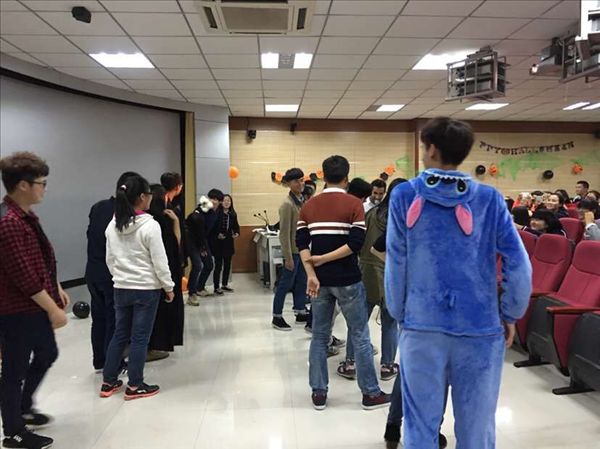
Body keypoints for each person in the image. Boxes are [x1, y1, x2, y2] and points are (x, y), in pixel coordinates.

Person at [386, 117, 531, 449]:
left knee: (419, 424)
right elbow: (518, 261)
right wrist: (510, 312)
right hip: (479, 327)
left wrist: (400, 311)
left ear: (431, 149)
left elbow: (396, 261)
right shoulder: (490, 199)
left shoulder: (404, 195)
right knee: (477, 427)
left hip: (422, 326)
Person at [297, 155, 390, 411]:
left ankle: (319, 393)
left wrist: (312, 271)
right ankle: (370, 394)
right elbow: (355, 244)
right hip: (348, 280)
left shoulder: (308, 205)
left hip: (319, 282)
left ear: (324, 176)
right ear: (346, 178)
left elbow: (301, 243)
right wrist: (324, 259)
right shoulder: (354, 204)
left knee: (319, 336)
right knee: (360, 335)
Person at [0, 152, 69, 449]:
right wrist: (53, 309)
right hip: (16, 311)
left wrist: (56, 286)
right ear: (23, 185)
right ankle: (13, 430)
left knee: (47, 353)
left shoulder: (25, 216)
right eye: (41, 183)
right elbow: (23, 276)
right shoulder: (9, 222)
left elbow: (40, 259)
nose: (44, 188)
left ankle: (23, 405)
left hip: (32, 307)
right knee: (13, 370)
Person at [100, 175, 175, 401]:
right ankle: (135, 385)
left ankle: (108, 381)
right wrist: (168, 286)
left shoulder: (113, 225)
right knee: (140, 338)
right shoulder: (150, 225)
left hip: (121, 287)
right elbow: (159, 260)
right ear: (142, 197)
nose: (151, 198)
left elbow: (110, 259)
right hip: (146, 289)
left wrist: (120, 277)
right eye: (149, 195)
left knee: (119, 334)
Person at [337, 178, 406, 384]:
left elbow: (357, 244)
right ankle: (387, 366)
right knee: (390, 324)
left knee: (358, 323)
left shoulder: (370, 214)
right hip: (392, 278)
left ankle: (350, 363)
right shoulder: (405, 220)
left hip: (366, 274)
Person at [86, 171, 139, 371]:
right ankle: (113, 364)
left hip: (92, 271)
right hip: (111, 273)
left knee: (98, 318)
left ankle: (99, 360)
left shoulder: (98, 207)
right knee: (114, 321)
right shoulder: (125, 214)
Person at [147, 184, 184, 361]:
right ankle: (154, 347)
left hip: (136, 278)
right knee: (160, 313)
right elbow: (174, 247)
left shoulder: (137, 220)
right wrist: (168, 285)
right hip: (160, 275)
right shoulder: (159, 221)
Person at [271, 168, 309, 330]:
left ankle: (300, 311)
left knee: (301, 282)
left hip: (302, 250)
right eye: (296, 181)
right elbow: (284, 233)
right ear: (288, 184)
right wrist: (288, 257)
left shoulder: (301, 201)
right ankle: (277, 316)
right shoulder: (287, 204)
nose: (300, 184)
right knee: (285, 284)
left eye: (301, 180)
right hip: (292, 252)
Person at [185, 189, 223, 302]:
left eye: (216, 199)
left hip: (202, 239)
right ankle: (191, 293)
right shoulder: (204, 207)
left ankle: (199, 288)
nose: (213, 201)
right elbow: (197, 225)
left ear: (220, 202)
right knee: (197, 265)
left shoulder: (217, 211)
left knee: (209, 265)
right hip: (192, 239)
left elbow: (211, 229)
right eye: (211, 198)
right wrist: (202, 247)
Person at [212, 194, 240, 295]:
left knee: (227, 265)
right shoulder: (216, 213)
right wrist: (217, 235)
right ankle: (216, 287)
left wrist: (236, 233)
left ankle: (224, 284)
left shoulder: (233, 214)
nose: (227, 202)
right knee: (218, 265)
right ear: (221, 202)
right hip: (218, 242)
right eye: (225, 200)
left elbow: (236, 226)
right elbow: (212, 228)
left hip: (228, 241)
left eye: (229, 201)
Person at [160, 172, 186, 265]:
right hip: (169, 252)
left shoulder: (165, 202)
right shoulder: (167, 207)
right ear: (177, 187)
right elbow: (176, 236)